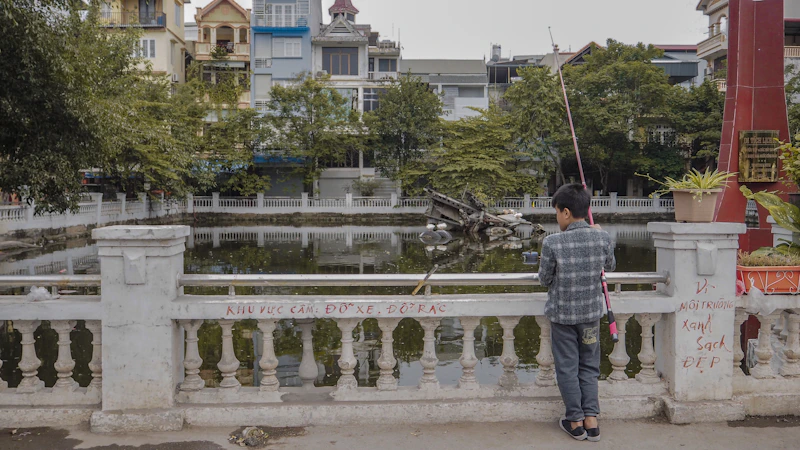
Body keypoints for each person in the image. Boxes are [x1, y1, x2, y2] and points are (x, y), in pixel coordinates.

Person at [538, 183, 616, 442]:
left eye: (558, 212)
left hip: (562, 317)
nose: (557, 217)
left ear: (567, 212)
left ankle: (575, 420)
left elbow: (544, 279)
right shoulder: (602, 238)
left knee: (567, 367)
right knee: (590, 366)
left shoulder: (552, 242)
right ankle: (591, 420)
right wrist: (599, 233)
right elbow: (610, 266)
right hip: (591, 316)